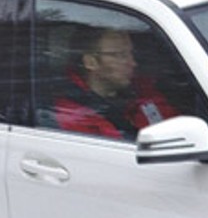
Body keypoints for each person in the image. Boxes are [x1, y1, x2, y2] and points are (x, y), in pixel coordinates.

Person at [48, 25, 176, 139]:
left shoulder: (144, 93)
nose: (132, 63)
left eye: (131, 53)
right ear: (91, 62)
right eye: (120, 55)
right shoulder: (72, 118)